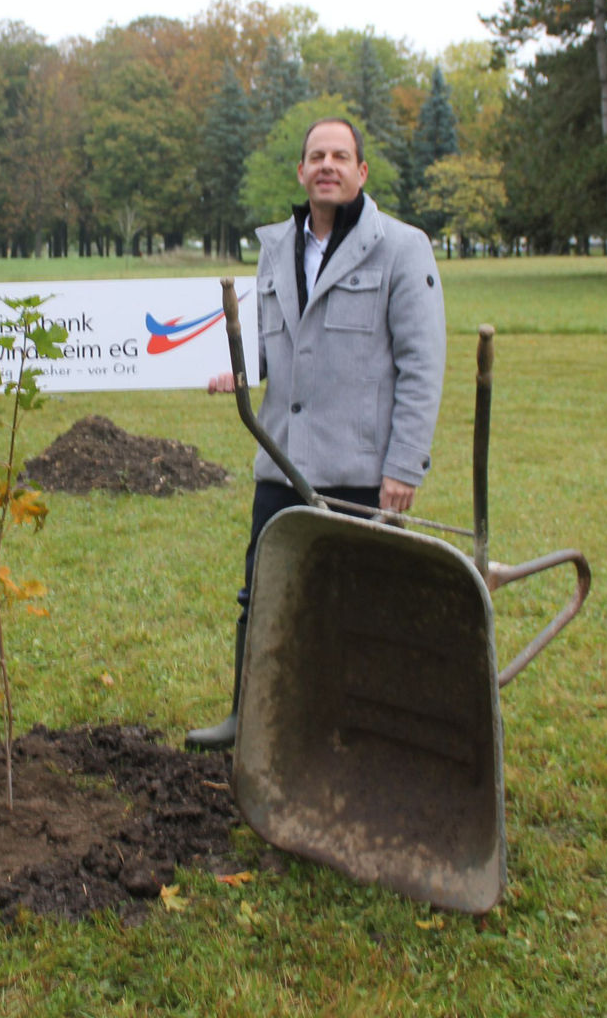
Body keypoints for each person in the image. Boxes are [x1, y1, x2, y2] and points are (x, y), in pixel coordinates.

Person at [186, 117, 446, 750]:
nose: (327, 165)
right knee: (262, 596)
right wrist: (239, 370)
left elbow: (422, 363)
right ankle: (248, 718)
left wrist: (404, 465)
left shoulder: (402, 248)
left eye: (340, 156)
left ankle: (358, 733)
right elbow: (275, 341)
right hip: (282, 460)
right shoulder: (276, 248)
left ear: (361, 171)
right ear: (301, 171)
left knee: (361, 607)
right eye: (316, 156)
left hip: (359, 469)